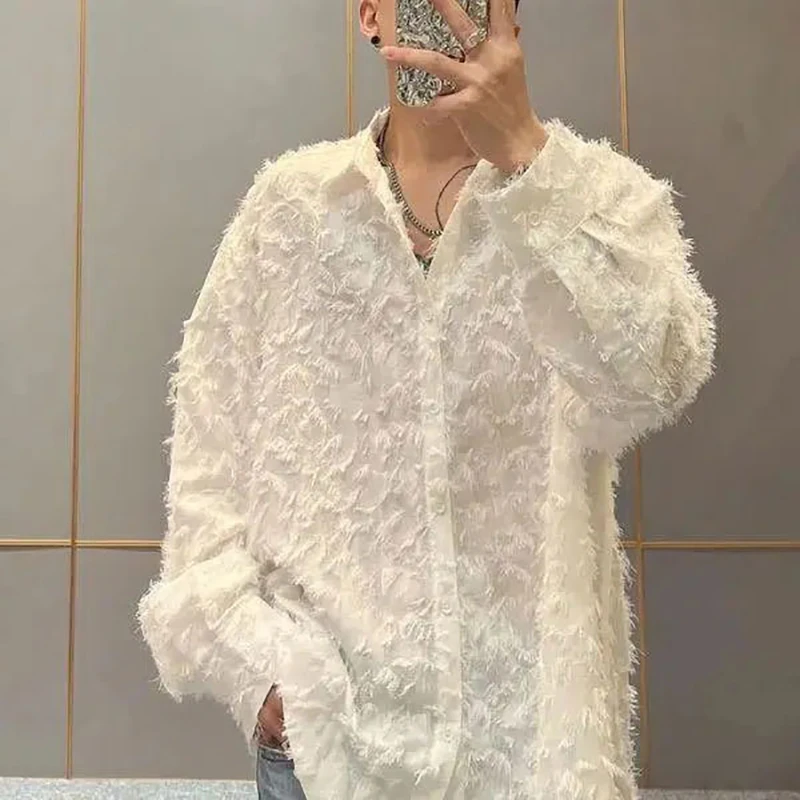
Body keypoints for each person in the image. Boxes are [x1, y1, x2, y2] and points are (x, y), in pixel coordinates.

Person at [137, 0, 717, 798]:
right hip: (326, 751)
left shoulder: (597, 199)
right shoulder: (291, 208)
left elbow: (656, 378)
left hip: (527, 752)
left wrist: (529, 159)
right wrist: (260, 667)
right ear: (371, 15)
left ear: (510, 19)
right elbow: (209, 449)